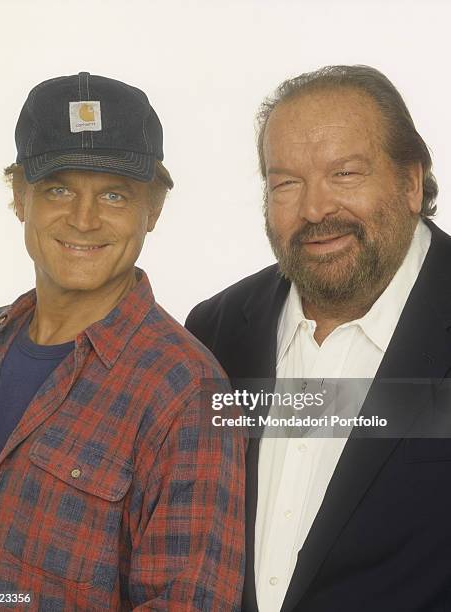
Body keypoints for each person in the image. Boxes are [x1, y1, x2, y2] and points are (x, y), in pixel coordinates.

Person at [0, 72, 245, 611]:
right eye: (58, 189)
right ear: (20, 198)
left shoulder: (189, 393)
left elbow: (188, 603)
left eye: (114, 194)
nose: (84, 219)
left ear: (153, 210)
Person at [186, 65, 451, 611]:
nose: (314, 209)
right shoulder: (213, 332)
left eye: (345, 173)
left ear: (410, 182)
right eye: (285, 182)